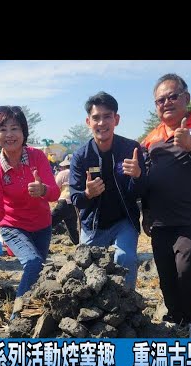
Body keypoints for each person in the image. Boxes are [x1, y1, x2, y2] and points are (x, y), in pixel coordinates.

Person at [141, 73, 191, 338]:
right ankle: (177, 317)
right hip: (161, 219)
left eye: (172, 96)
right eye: (160, 100)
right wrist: (146, 212)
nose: (166, 103)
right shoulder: (150, 139)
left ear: (186, 98)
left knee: (186, 270)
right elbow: (147, 179)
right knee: (166, 275)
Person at [0, 106, 60, 307]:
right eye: (3, 129)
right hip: (12, 226)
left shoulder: (38, 157)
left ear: (24, 132)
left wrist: (43, 189)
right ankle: (18, 315)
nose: (9, 134)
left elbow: (55, 193)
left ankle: (35, 311)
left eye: (15, 128)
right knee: (33, 262)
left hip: (42, 225)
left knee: (37, 270)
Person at [68, 92, 145, 289]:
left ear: (116, 119)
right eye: (96, 117)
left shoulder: (131, 149)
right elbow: (76, 198)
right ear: (88, 122)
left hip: (124, 221)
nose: (101, 123)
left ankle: (126, 301)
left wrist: (137, 176)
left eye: (107, 116)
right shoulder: (81, 156)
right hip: (92, 225)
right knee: (87, 269)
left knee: (125, 258)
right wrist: (88, 194)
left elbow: (141, 192)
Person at [51, 154, 79, 245]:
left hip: (64, 202)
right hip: (75, 204)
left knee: (49, 223)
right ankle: (78, 245)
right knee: (72, 229)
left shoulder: (62, 173)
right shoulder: (78, 172)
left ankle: (38, 241)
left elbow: (56, 187)